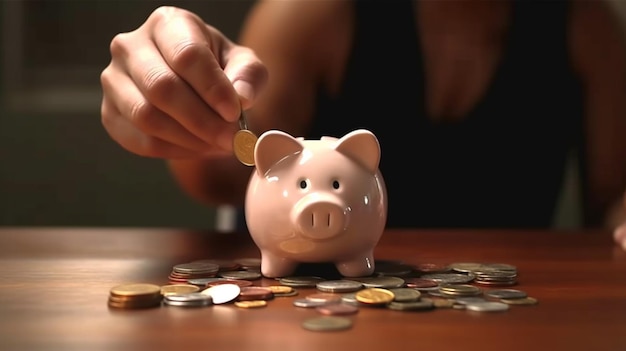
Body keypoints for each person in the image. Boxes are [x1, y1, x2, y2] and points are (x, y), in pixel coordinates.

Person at [100, 0, 626, 249]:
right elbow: (223, 174)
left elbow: (614, 200)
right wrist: (188, 108)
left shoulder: (586, 27)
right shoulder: (313, 14)